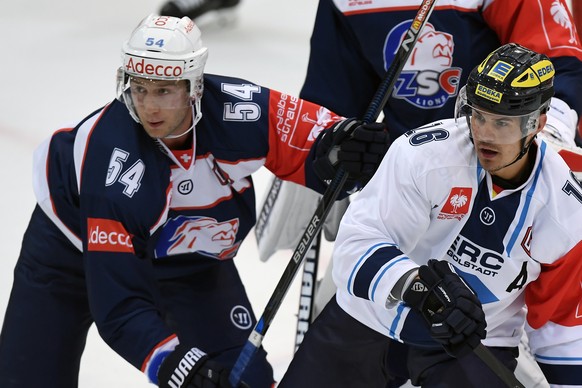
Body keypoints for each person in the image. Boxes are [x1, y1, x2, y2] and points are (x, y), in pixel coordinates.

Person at [0, 14, 390, 388]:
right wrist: (176, 364)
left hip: (188, 261)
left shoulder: (239, 110)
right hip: (69, 257)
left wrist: (342, 145)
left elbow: (313, 135)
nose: (149, 107)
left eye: (164, 90)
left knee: (243, 380)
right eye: (140, 89)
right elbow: (120, 307)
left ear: (194, 86)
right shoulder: (115, 169)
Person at [279, 43, 582, 387]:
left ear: (536, 124)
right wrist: (416, 285)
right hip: (370, 316)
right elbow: (357, 244)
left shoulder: (566, 208)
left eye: (501, 122)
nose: (484, 133)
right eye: (478, 115)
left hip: (475, 342)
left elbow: (561, 327)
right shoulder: (423, 155)